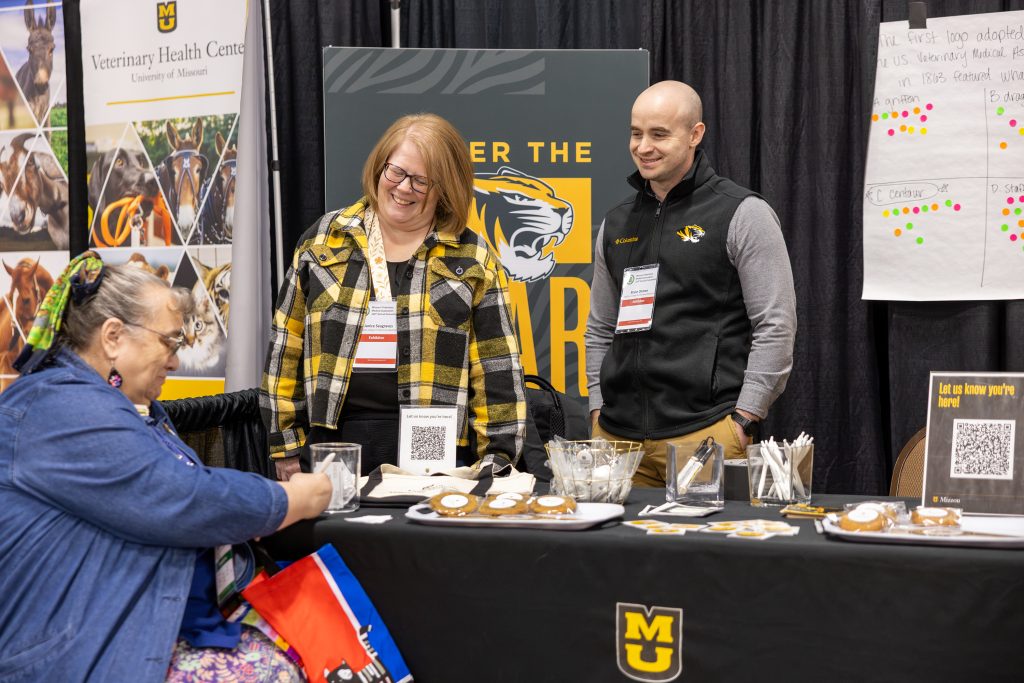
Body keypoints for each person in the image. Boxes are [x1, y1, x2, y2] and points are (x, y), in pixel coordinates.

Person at [0, 253, 332, 682]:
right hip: (83, 652)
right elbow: (185, 499)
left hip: (137, 627)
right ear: (114, 336)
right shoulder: (58, 409)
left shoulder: (119, 406)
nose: (175, 361)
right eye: (170, 342)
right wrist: (296, 497)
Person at [263, 113, 527, 481]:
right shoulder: (324, 240)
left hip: (435, 451)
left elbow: (497, 368)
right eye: (396, 172)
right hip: (335, 444)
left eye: (421, 181)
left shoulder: (472, 258)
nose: (404, 188)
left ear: (445, 189)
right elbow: (285, 345)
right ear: (379, 167)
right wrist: (285, 443)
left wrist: (497, 459)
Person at [585, 81, 797, 487]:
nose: (643, 146)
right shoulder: (616, 222)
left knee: (705, 551)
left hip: (704, 436)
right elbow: (599, 327)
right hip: (616, 440)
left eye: (659, 134)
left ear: (695, 135)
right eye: (636, 133)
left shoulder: (743, 213)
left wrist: (743, 419)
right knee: (616, 551)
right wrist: (598, 408)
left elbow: (776, 326)